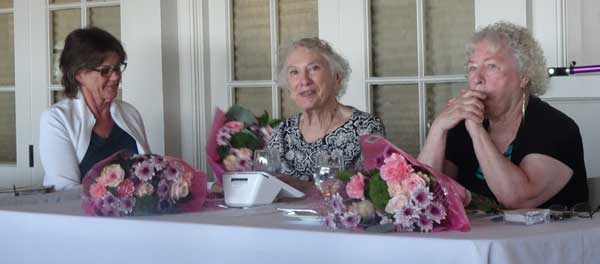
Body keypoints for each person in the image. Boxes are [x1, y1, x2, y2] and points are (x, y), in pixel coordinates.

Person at [418, 22, 588, 209]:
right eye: (472, 68)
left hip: (544, 237)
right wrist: (438, 128)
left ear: (524, 76)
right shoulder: (461, 127)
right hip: (476, 238)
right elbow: (421, 196)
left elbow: (517, 199)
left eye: (491, 66)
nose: (477, 78)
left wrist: (476, 130)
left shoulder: (556, 128)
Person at [40, 27, 151, 190]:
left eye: (118, 68)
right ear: (79, 74)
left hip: (134, 214)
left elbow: (148, 173)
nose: (116, 77)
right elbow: (64, 190)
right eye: (105, 71)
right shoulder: (56, 119)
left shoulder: (130, 113)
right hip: (80, 214)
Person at [268, 37, 385, 181]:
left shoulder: (366, 128)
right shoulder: (282, 133)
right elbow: (267, 188)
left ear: (336, 77)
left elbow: (374, 192)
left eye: (313, 68)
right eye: (294, 72)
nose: (304, 81)